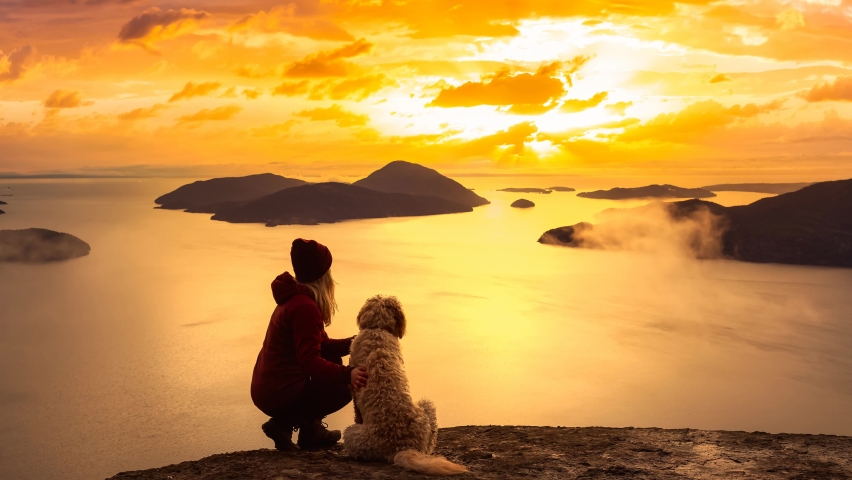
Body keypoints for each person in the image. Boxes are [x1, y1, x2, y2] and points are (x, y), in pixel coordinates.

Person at [251, 238, 369, 450]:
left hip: (269, 387)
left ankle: (305, 430)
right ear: (322, 276)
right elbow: (310, 362)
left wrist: (358, 341)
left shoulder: (295, 298)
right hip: (279, 392)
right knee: (344, 388)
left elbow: (321, 345)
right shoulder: (305, 307)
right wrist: (347, 374)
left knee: (332, 359)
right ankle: (287, 424)